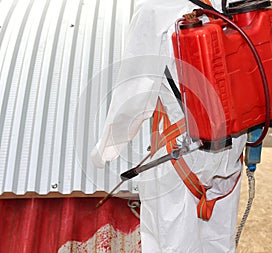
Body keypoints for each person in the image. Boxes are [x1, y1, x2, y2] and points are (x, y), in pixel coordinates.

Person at [91, 0, 247, 252]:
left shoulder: (155, 9)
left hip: (181, 154)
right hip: (230, 152)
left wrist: (106, 149)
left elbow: (134, 93)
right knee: (219, 243)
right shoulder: (235, 3)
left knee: (170, 245)